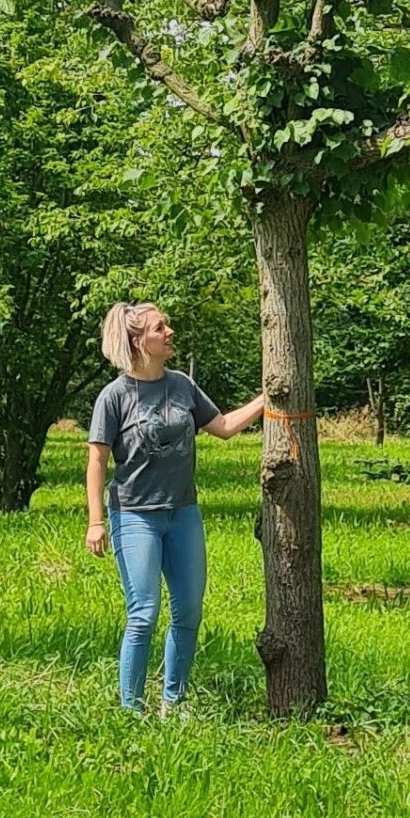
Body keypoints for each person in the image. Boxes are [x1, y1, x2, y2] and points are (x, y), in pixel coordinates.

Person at [84, 300, 265, 713]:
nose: (170, 333)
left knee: (188, 611)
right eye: (159, 328)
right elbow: (97, 460)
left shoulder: (182, 385)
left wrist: (269, 395)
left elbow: (223, 428)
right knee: (144, 614)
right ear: (137, 341)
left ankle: (174, 704)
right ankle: (131, 711)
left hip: (183, 513)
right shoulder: (114, 397)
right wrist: (96, 522)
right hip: (133, 516)